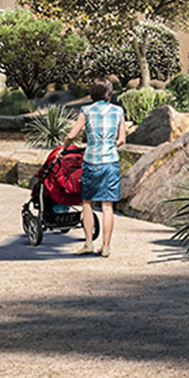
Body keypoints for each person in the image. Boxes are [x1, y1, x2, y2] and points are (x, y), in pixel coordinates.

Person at [66, 79, 128, 257]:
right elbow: (122, 139)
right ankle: (106, 246)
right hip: (110, 162)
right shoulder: (118, 111)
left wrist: (64, 148)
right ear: (109, 93)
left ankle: (88, 243)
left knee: (87, 203)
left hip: (92, 162)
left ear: (93, 92)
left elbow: (72, 134)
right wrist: (109, 145)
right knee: (107, 205)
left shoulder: (86, 110)